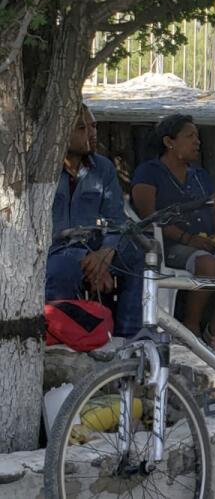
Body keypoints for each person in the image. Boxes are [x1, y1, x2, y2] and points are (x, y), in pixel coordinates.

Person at [132, 114, 215, 352]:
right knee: (208, 265)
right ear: (169, 142)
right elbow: (149, 216)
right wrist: (188, 239)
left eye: (197, 136)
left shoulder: (199, 175)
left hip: (204, 241)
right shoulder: (149, 172)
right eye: (190, 136)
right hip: (171, 244)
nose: (197, 142)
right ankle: (190, 328)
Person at [48, 104, 142, 337]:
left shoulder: (103, 168)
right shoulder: (43, 170)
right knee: (64, 268)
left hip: (94, 247)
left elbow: (116, 220)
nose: (92, 132)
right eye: (82, 127)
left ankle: (128, 338)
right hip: (55, 251)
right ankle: (62, 338)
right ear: (60, 133)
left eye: (94, 125)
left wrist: (106, 253)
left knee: (139, 256)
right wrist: (94, 263)